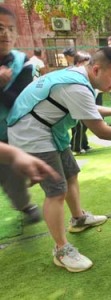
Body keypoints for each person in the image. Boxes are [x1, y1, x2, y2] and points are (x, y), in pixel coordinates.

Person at [7, 47, 111, 273]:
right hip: (32, 133)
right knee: (56, 189)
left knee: (70, 172)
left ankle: (78, 219)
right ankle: (61, 249)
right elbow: (102, 132)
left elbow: (88, 107)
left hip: (47, 129)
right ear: (96, 69)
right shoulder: (76, 85)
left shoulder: (77, 76)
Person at [0, 6, 41, 224]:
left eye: (10, 29)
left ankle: (25, 205)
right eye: (0, 28)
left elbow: (18, 102)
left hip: (7, 134)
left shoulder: (22, 62)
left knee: (13, 176)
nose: (5, 34)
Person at [70, 51, 92, 154]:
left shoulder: (83, 73)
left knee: (84, 125)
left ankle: (84, 144)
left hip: (81, 102)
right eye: (86, 62)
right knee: (78, 126)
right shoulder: (73, 72)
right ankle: (76, 148)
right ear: (79, 62)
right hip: (73, 103)